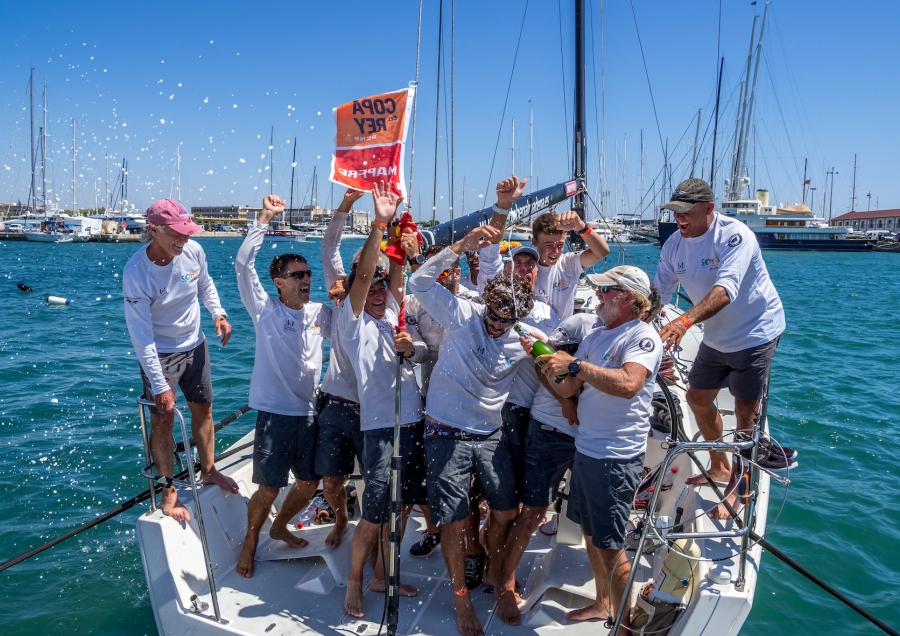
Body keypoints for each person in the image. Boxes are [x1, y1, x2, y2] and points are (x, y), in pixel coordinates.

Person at [409, 222, 539, 636]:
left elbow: (564, 359)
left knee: (506, 511)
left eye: (508, 320)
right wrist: (460, 247)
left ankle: (497, 574)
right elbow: (419, 280)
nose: (498, 325)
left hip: (490, 434)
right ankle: (461, 597)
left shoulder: (523, 336)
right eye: (495, 316)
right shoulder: (462, 313)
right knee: (450, 517)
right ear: (485, 304)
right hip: (444, 430)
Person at [530, 265, 662, 630]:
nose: (598, 297)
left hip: (615, 458)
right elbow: (571, 389)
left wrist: (574, 365)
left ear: (628, 299)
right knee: (590, 533)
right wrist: (544, 361)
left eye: (606, 291)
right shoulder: (596, 336)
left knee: (610, 545)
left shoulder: (642, 336)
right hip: (587, 450)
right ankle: (604, 604)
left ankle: (624, 625)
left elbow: (630, 383)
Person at [653, 178, 791, 519]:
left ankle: (739, 491)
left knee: (746, 413)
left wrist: (683, 323)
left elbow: (724, 291)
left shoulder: (734, 235)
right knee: (697, 399)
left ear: (708, 209)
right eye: (675, 212)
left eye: (685, 212)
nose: (679, 219)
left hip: (756, 332)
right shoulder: (673, 245)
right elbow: (658, 295)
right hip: (716, 335)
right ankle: (720, 467)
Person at [340, 182, 429, 617]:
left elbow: (395, 269)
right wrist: (377, 221)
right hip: (380, 428)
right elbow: (363, 275)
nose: (378, 288)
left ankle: (382, 574)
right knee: (373, 514)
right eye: (370, 282)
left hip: (413, 423)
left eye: (382, 282)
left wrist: (396, 217)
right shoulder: (350, 319)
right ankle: (354, 582)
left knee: (399, 512)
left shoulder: (394, 307)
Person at [233, 194, 331, 578]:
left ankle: (280, 526)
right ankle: (251, 540)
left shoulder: (320, 312)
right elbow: (243, 265)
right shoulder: (265, 310)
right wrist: (263, 219)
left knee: (308, 484)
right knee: (269, 489)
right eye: (297, 275)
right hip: (275, 415)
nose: (306, 280)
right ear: (279, 283)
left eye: (308, 274)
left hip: (309, 412)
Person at [123, 198, 238, 521]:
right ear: (153, 230)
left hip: (195, 346)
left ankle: (210, 469)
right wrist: (159, 384)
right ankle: (168, 489)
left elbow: (205, 283)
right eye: (176, 233)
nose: (183, 239)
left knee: (204, 410)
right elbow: (141, 336)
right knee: (163, 421)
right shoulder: (136, 272)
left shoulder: (193, 251)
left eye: (186, 232)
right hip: (159, 353)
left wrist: (218, 313)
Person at [317, 188, 367, 549]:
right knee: (331, 483)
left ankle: (373, 531)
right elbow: (329, 248)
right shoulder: (340, 296)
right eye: (359, 266)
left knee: (379, 483)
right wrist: (346, 206)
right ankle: (341, 517)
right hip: (336, 403)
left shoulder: (390, 300)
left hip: (373, 408)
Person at [488, 176, 611, 320]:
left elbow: (602, 251)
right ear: (534, 242)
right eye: (549, 245)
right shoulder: (522, 268)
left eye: (560, 245)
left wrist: (580, 227)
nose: (555, 251)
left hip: (562, 336)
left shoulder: (569, 263)